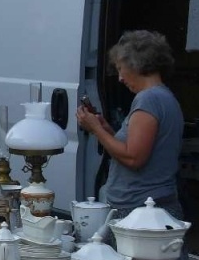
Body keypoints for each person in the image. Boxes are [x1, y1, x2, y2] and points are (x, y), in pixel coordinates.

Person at [76, 29, 186, 226]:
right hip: (154, 205)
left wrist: (96, 130)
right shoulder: (165, 97)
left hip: (139, 210)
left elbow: (134, 158)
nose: (120, 77)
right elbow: (133, 148)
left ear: (134, 64)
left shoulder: (148, 99)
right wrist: (107, 129)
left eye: (120, 68)